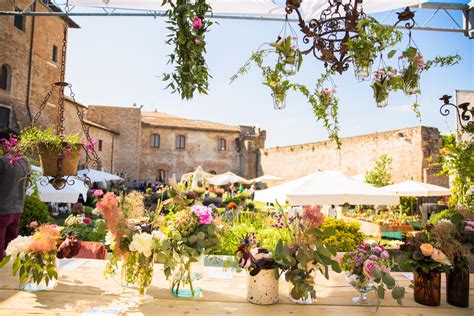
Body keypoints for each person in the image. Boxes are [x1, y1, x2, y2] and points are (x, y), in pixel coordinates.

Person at [0, 129, 30, 259]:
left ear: (4, 143)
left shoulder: (3, 161)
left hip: (2, 209)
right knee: (11, 249)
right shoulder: (25, 162)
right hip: (17, 209)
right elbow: (26, 184)